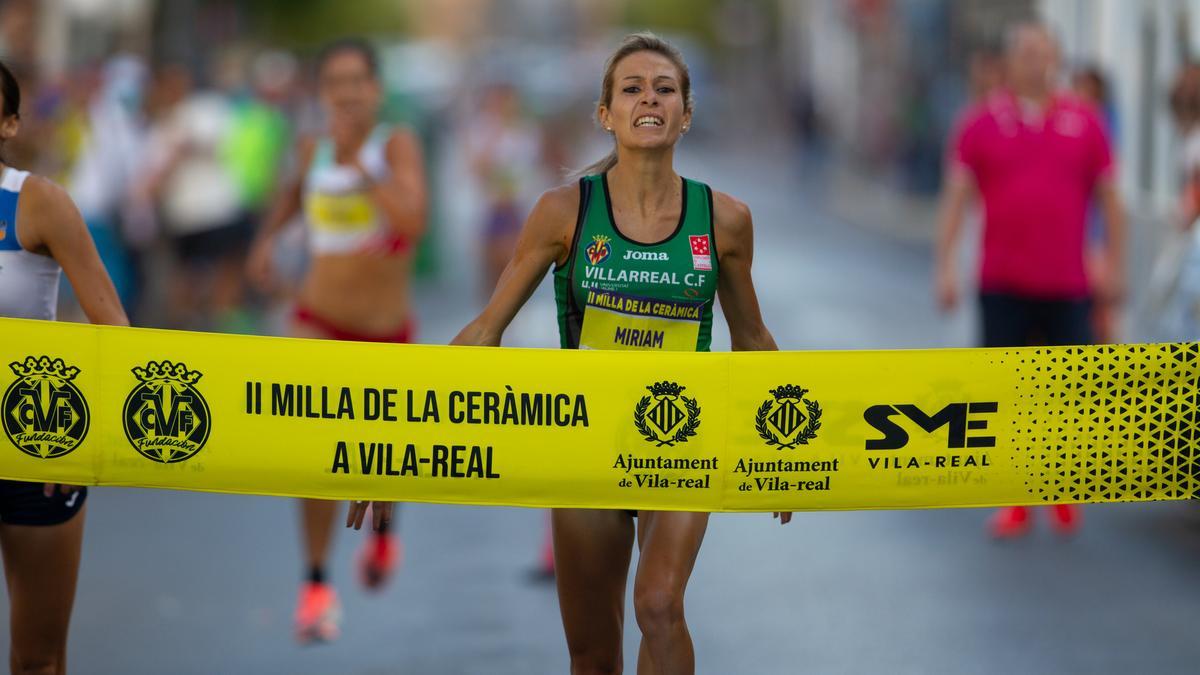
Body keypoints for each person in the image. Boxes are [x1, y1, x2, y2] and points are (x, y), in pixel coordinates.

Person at [349, 32, 789, 674]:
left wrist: (789, 447)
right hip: (584, 442)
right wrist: (396, 443)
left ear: (686, 113)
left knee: (661, 606)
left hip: (682, 438)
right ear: (604, 114)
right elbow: (482, 333)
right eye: (631, 88)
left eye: (665, 89)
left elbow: (751, 337)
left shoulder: (723, 220)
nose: (649, 99)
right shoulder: (564, 213)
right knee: (592, 654)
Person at [247, 38, 427, 644]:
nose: (346, 94)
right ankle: (317, 581)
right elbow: (292, 195)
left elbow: (413, 222)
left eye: (357, 81)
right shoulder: (311, 146)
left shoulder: (393, 145)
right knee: (315, 450)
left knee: (381, 453)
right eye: (334, 83)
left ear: (376, 88)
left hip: (383, 330)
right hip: (317, 316)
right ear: (321, 92)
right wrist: (267, 242)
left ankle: (381, 533)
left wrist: (363, 167)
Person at [935, 24, 1126, 538]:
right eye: (1025, 53)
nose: (1035, 62)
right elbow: (956, 197)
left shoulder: (1084, 122)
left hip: (1067, 281)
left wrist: (1113, 262)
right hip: (1002, 280)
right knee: (1007, 395)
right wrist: (946, 265)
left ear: (1056, 60)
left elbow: (1110, 198)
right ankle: (1014, 497)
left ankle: (1060, 489)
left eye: (1044, 54)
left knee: (1067, 393)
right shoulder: (980, 123)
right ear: (1010, 61)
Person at [0, 60, 129, 674]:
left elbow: (115, 333)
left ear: (9, 123)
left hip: (36, 443)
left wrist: (83, 444)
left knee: (38, 660)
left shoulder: (40, 203)